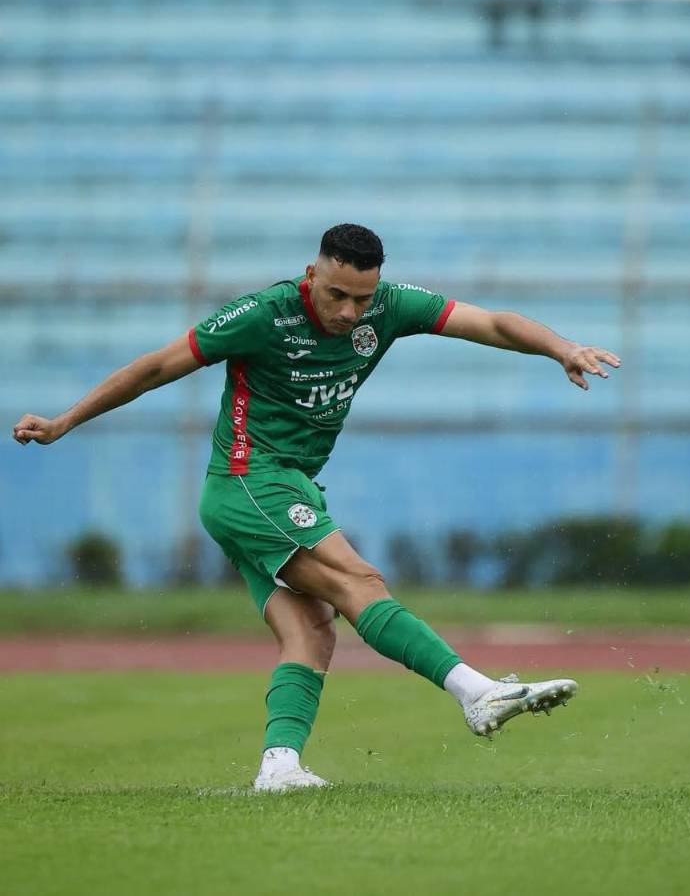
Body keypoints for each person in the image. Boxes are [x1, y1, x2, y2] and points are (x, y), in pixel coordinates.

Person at [13, 223, 622, 790]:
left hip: (287, 485)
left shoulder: (389, 308)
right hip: (248, 481)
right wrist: (66, 421)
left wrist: (559, 347)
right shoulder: (263, 315)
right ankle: (477, 692)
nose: (350, 311)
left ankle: (279, 766)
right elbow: (154, 368)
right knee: (359, 580)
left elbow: (490, 323)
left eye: (362, 298)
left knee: (310, 630)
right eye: (336, 295)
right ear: (311, 274)